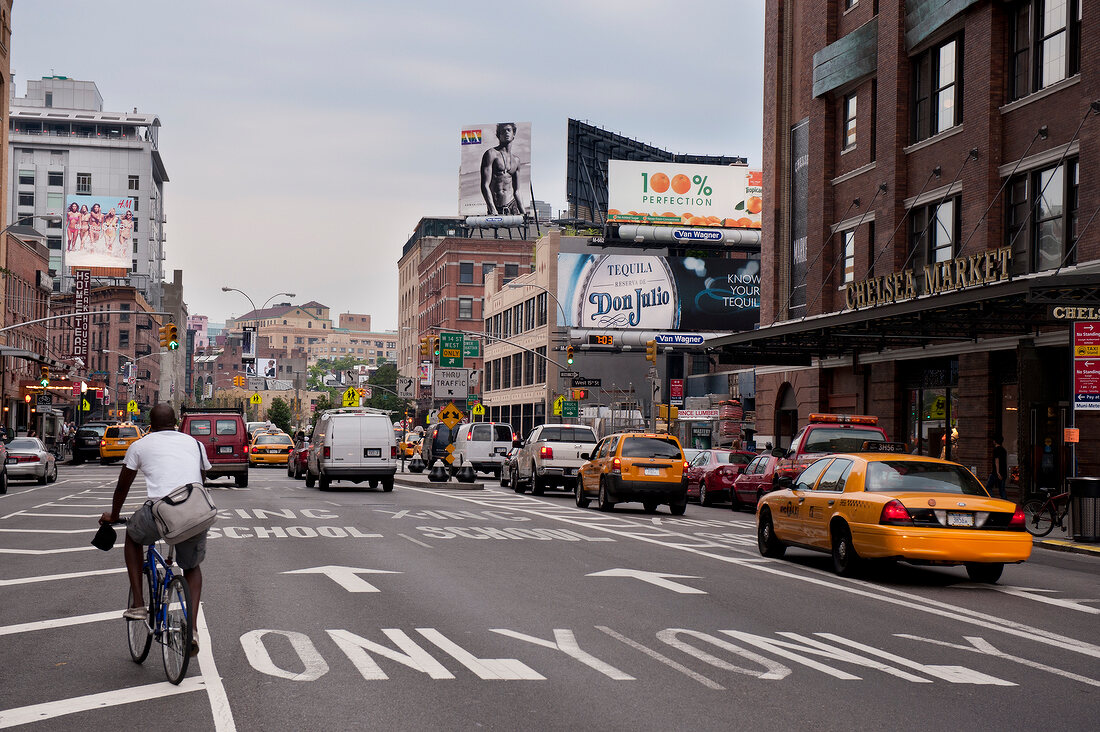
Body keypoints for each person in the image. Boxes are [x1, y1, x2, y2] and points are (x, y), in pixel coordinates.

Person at [100, 403, 211, 656]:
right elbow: (201, 480)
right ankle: (192, 629)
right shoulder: (194, 444)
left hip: (160, 512)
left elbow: (122, 487)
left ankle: (139, 604)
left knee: (132, 536)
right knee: (192, 567)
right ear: (176, 422)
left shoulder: (140, 445)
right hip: (196, 511)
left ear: (150, 423)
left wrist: (114, 515)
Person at [480, 122, 526, 216]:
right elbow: (485, 185)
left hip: (512, 204)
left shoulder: (516, 160)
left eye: (509, 130)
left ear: (514, 134)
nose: (506, 133)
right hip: (496, 206)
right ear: (498, 135)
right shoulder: (491, 154)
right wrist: (492, 209)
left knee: (516, 230)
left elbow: (517, 190)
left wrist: (523, 212)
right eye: (503, 131)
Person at [989, 433, 1008, 500]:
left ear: (995, 441)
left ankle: (993, 501)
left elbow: (997, 461)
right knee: (1002, 490)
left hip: (996, 473)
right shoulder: (1004, 450)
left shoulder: (996, 450)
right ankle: (1006, 503)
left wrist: (997, 472)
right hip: (1004, 472)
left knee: (988, 488)